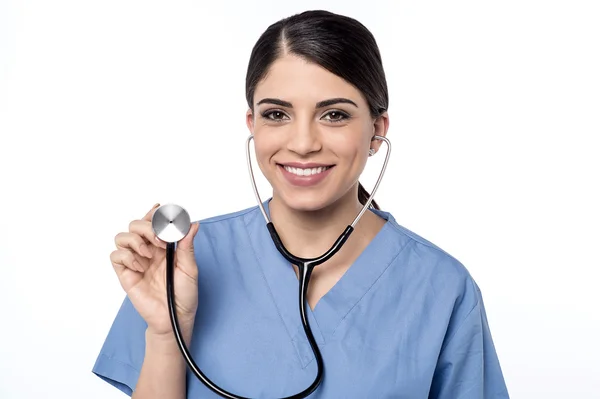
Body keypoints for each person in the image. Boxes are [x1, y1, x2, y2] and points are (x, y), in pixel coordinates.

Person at [92, 9, 509, 399]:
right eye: (277, 114)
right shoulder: (178, 264)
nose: (304, 143)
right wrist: (166, 334)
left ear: (377, 131)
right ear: (252, 125)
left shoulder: (440, 288)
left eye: (334, 115)